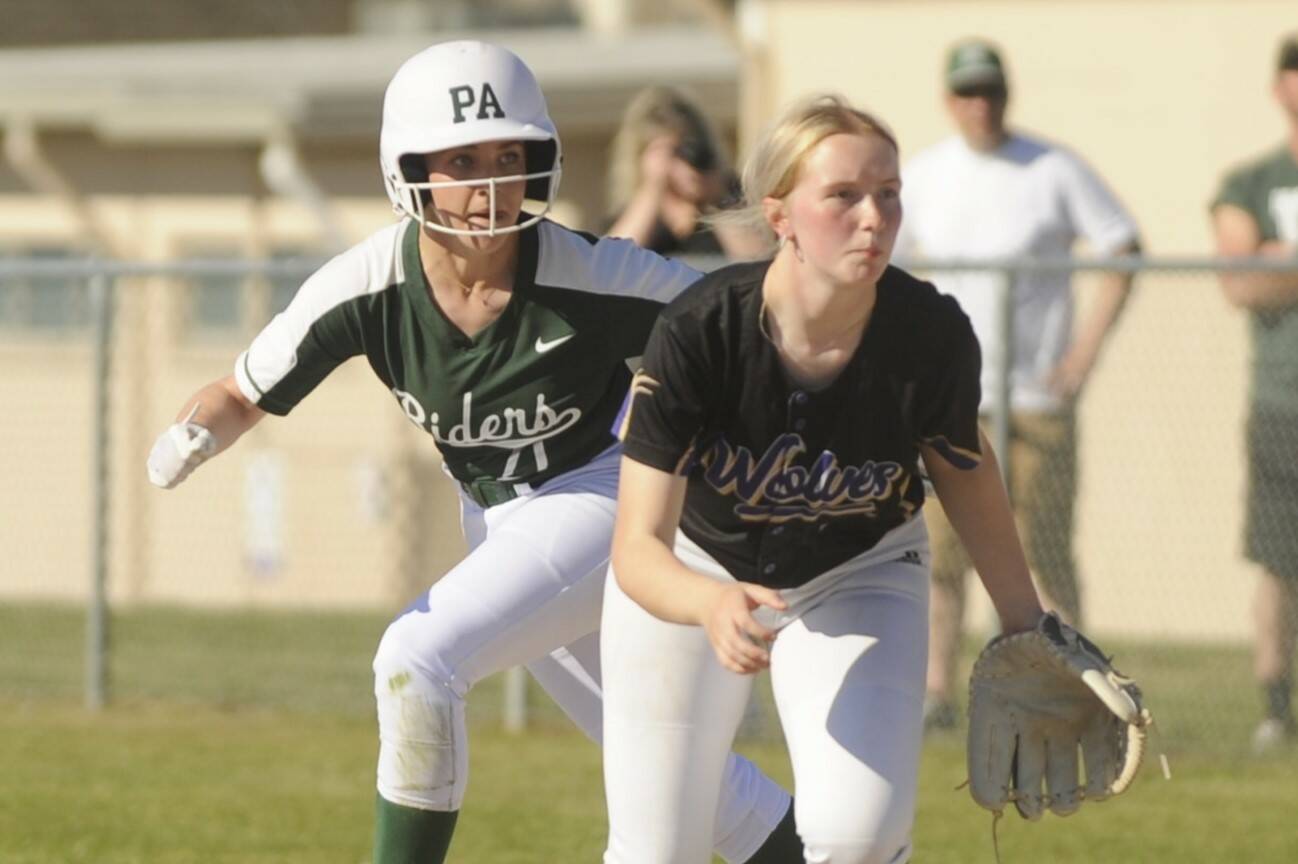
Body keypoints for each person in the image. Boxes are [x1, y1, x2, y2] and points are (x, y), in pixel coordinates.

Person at [145, 40, 801, 864]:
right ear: (405, 168)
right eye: (461, 160)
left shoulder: (592, 276)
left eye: (508, 156)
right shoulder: (366, 286)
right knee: (671, 775)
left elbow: (743, 327)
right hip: (499, 520)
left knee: (416, 659)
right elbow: (242, 390)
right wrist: (194, 434)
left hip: (603, 497)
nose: (490, 182)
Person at [600, 94, 1045, 864]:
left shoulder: (929, 333)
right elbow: (637, 548)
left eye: (889, 193)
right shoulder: (700, 331)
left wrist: (1024, 626)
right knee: (653, 853)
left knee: (857, 837)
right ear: (780, 216)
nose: (873, 217)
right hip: (697, 567)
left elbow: (965, 473)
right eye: (842, 195)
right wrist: (709, 601)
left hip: (860, 568)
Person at [893, 38, 1142, 730]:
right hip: (953, 406)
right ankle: (938, 696)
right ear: (949, 100)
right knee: (939, 556)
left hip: (1036, 400)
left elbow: (1122, 246)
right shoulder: (927, 175)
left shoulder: (1053, 169)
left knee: (1046, 550)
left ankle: (1078, 687)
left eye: (992, 90)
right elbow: (889, 269)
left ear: (1008, 94)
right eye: (968, 92)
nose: (982, 105)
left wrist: (1081, 357)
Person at [1210, 33, 1298, 754]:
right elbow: (1239, 280)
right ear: (1280, 88)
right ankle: (1276, 704)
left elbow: (1264, 266)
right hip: (1283, 404)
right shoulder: (1252, 182)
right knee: (1280, 558)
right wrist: (1262, 263)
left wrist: (1282, 258)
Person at [605, 85, 766, 260]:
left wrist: (717, 199)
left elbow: (758, 263)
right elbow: (612, 262)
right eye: (669, 152)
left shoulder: (732, 197)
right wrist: (653, 189)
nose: (682, 164)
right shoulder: (633, 213)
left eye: (685, 149)